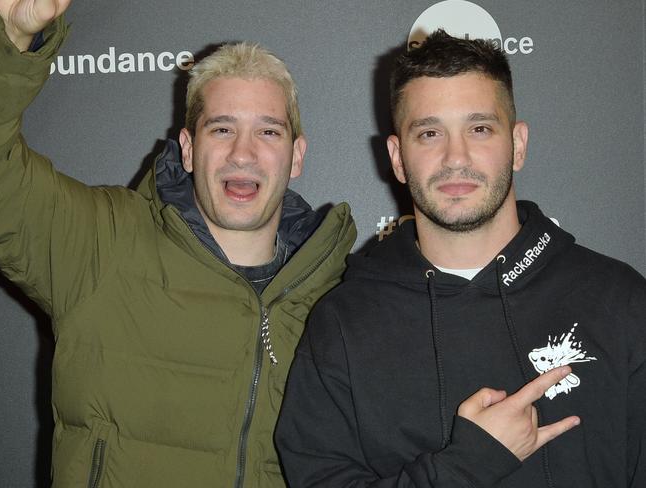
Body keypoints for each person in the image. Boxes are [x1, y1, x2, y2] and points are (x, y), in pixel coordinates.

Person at [0, 1, 355, 487]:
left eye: (268, 131)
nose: (243, 153)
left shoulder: (340, 296)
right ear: (188, 149)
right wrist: (10, 41)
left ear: (296, 156)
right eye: (222, 128)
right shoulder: (102, 243)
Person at [276, 29, 646, 487]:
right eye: (429, 133)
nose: (456, 156)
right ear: (396, 157)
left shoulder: (620, 302)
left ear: (518, 144)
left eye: (479, 128)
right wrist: (467, 466)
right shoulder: (344, 323)